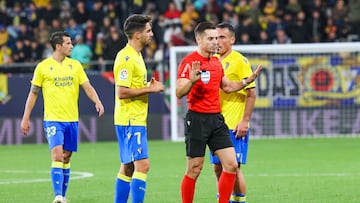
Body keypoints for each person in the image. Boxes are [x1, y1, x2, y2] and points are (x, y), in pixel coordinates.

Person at [176, 21, 261, 203]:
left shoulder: (216, 62)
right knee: (195, 168)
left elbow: (228, 86)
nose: (215, 42)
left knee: (230, 165)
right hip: (197, 119)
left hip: (216, 119)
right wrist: (191, 81)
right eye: (211, 38)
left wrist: (246, 81)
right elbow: (178, 92)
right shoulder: (189, 62)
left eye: (217, 38)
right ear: (199, 39)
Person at [20, 31, 105, 203]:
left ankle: (63, 196)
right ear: (58, 46)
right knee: (57, 155)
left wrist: (97, 101)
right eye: (68, 43)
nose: (72, 46)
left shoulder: (75, 65)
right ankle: (57, 196)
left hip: (72, 119)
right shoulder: (43, 67)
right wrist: (25, 117)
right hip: (53, 119)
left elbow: (87, 86)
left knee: (66, 157)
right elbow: (33, 94)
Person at [113, 14, 164, 203]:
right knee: (143, 165)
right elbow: (122, 92)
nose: (151, 34)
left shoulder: (137, 55)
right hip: (130, 119)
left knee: (128, 167)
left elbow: (132, 87)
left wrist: (145, 85)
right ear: (137, 35)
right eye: (148, 31)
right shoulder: (126, 57)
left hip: (133, 118)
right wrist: (150, 89)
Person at [209, 22, 257, 203]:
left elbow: (251, 93)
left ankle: (239, 201)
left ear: (232, 39)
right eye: (215, 37)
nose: (217, 41)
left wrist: (245, 121)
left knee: (234, 168)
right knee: (217, 168)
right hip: (216, 125)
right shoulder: (213, 61)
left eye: (222, 37)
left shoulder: (239, 61)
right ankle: (224, 199)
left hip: (234, 124)